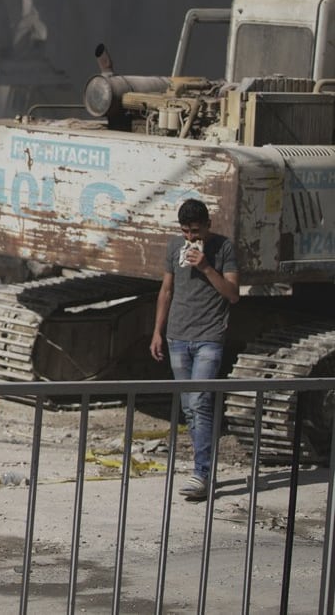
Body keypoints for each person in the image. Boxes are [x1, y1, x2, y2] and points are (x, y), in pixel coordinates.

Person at [149, 199, 239, 502]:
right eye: (185, 231)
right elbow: (166, 290)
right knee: (189, 406)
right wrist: (157, 331)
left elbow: (233, 294)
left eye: (195, 231)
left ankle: (201, 473)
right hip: (177, 336)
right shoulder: (175, 246)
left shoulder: (224, 248)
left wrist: (205, 267)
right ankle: (203, 469)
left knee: (200, 402)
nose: (190, 237)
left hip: (209, 337)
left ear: (208, 225)